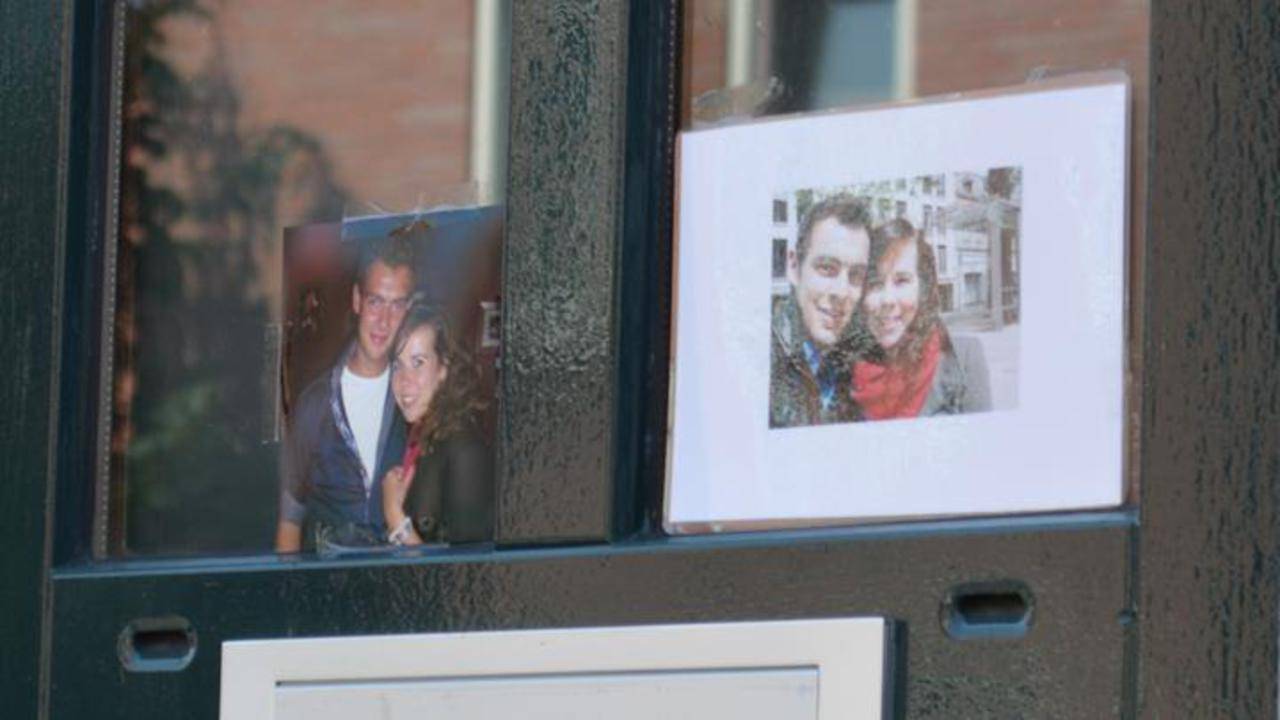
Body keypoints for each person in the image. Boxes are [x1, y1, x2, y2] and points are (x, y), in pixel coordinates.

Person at [275, 234, 415, 553]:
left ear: (409, 309)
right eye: (375, 301)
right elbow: (289, 520)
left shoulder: (415, 399)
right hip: (331, 586)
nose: (384, 320)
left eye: (396, 305)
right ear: (356, 300)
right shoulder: (315, 404)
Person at [852, 218, 991, 419]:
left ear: (922, 288)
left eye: (901, 281)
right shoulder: (840, 370)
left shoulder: (964, 357)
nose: (887, 300)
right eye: (874, 283)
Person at [380, 305, 494, 546]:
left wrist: (394, 515)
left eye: (418, 362)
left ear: (444, 368)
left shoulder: (465, 450)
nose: (404, 381)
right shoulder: (422, 433)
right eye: (398, 365)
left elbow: (463, 578)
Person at [770, 195, 873, 428]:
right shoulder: (763, 360)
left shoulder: (856, 359)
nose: (841, 292)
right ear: (794, 267)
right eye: (827, 268)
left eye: (856, 275)